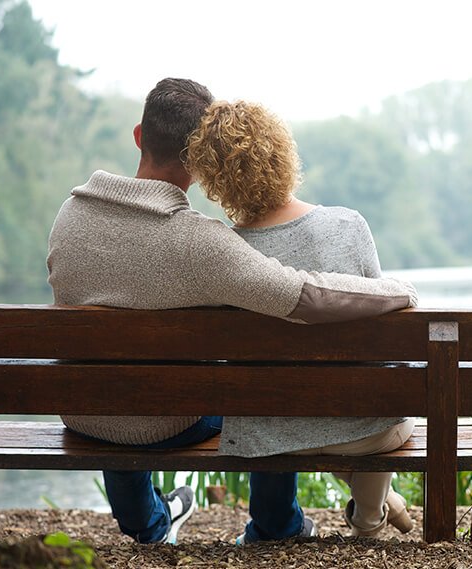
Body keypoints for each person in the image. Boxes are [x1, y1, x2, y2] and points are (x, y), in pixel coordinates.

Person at [46, 78, 418, 545]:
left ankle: (150, 525)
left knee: (114, 382)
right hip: (171, 422)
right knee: (260, 387)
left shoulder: (69, 217)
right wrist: (395, 292)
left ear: (139, 135)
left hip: (82, 412)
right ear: (201, 162)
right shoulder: (201, 242)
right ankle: (279, 524)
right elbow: (303, 295)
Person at [184, 99, 415, 541]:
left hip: (270, 435)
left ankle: (375, 508)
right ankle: (370, 520)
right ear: (282, 152)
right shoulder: (348, 225)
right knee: (379, 402)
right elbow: (382, 331)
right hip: (364, 432)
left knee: (312, 408)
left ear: (215, 181)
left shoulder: (227, 253)